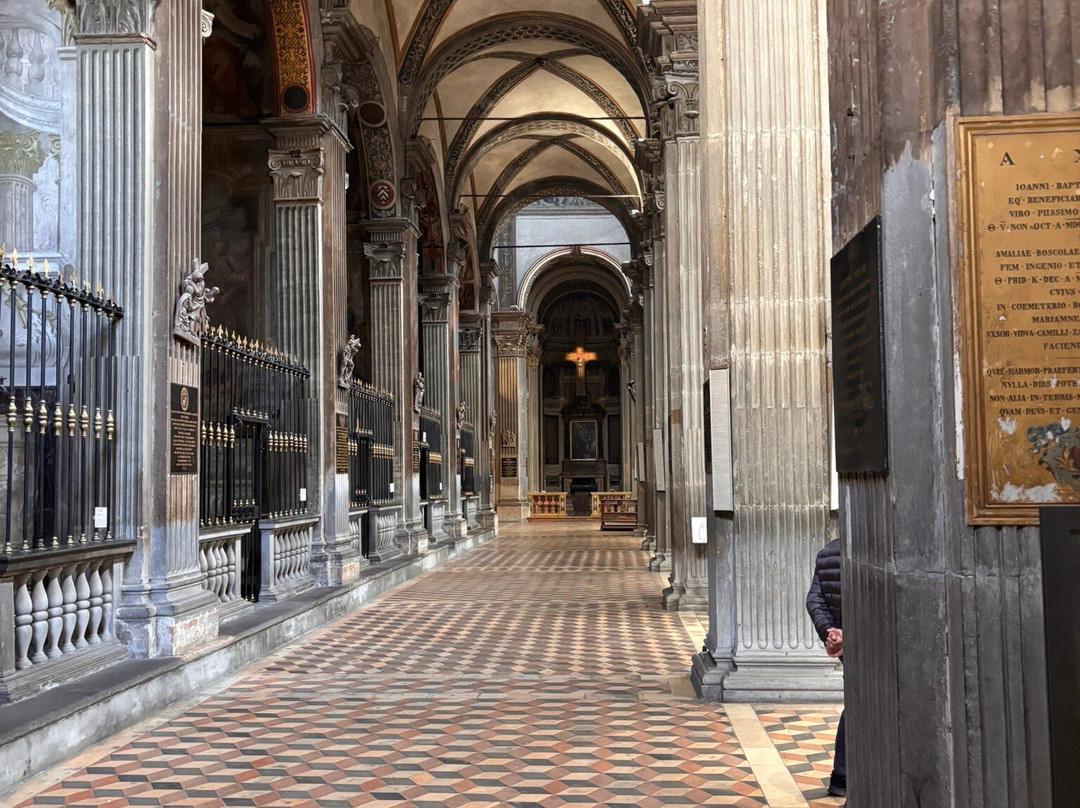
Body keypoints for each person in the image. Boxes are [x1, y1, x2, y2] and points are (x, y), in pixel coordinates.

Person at [806, 538, 846, 800]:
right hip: (877, 645)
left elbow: (815, 600)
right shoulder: (880, 548)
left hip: (847, 645)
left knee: (856, 706)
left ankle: (842, 777)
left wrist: (830, 631)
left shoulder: (829, 551)